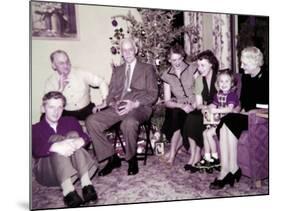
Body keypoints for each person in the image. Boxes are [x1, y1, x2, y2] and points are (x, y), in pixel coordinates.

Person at [85, 38, 158, 176]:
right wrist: (108, 103)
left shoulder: (147, 69)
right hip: (119, 107)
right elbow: (112, 92)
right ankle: (112, 157)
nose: (128, 53)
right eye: (124, 50)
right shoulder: (117, 70)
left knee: (128, 123)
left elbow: (153, 94)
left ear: (136, 50)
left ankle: (131, 159)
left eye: (130, 49)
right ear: (121, 53)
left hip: (140, 107)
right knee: (91, 121)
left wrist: (134, 104)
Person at [209, 46, 269, 189]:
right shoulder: (246, 78)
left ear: (255, 62)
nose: (241, 66)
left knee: (227, 121)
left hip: (259, 119)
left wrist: (250, 112)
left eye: (244, 63)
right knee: (226, 123)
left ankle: (227, 171)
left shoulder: (268, 77)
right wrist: (236, 110)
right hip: (244, 116)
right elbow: (242, 103)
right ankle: (231, 169)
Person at [32, 91, 99, 207]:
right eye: (51, 107)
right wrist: (55, 146)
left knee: (73, 134)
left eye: (59, 107)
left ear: (63, 108)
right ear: (43, 108)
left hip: (75, 169)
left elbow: (85, 137)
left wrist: (82, 140)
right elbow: (35, 149)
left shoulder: (70, 121)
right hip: (48, 173)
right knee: (56, 138)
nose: (56, 111)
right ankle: (68, 190)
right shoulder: (35, 128)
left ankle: (86, 184)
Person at [182, 50, 219, 173]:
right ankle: (193, 155)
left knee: (196, 119)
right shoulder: (198, 80)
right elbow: (198, 104)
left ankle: (197, 155)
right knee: (191, 117)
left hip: (217, 111)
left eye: (203, 65)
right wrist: (203, 108)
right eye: (198, 65)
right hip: (204, 109)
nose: (200, 68)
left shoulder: (219, 78)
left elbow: (223, 99)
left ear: (211, 64)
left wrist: (209, 108)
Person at [44, 49, 108, 121]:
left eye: (67, 61)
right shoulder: (50, 82)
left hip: (87, 110)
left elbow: (101, 81)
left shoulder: (81, 72)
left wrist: (105, 101)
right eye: (61, 63)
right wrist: (60, 89)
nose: (66, 65)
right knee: (44, 119)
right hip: (66, 114)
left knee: (106, 112)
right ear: (54, 66)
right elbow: (48, 105)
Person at [160, 43, 197, 165]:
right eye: (173, 60)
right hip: (180, 105)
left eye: (179, 59)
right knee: (176, 114)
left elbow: (201, 90)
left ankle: (172, 153)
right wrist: (182, 106)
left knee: (180, 117)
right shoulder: (167, 75)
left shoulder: (192, 68)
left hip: (195, 104)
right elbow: (167, 101)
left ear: (183, 57)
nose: (177, 62)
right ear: (169, 59)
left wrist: (194, 105)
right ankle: (173, 152)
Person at [195, 69, 239, 172]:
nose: (224, 84)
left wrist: (215, 110)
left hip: (228, 124)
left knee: (209, 133)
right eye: (221, 81)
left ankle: (215, 158)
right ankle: (207, 157)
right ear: (218, 83)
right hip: (218, 121)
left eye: (227, 81)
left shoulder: (231, 95)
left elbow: (229, 109)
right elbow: (213, 105)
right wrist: (206, 108)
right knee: (205, 133)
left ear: (232, 83)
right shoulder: (218, 95)